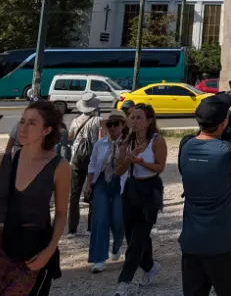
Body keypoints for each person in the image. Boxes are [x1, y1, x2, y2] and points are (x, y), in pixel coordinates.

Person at [0, 102, 69, 296]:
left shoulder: (59, 167)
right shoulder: (1, 163)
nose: (23, 128)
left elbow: (61, 213)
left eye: (32, 123)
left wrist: (49, 251)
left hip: (31, 250)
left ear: (47, 130)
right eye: (22, 121)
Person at [180, 93, 231, 296]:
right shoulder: (229, 151)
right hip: (223, 244)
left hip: (191, 243)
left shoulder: (185, 146)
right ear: (224, 123)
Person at [114, 103, 167, 296]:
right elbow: (118, 170)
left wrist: (142, 162)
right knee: (132, 236)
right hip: (131, 189)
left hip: (150, 190)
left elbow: (160, 167)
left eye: (139, 117)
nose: (134, 121)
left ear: (149, 120)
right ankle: (150, 266)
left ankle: (124, 282)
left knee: (139, 237)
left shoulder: (157, 140)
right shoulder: (127, 142)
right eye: (132, 117)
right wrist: (129, 158)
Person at [85, 112, 128, 273]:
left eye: (116, 124)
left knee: (118, 219)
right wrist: (89, 185)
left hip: (121, 183)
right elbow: (92, 166)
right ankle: (98, 259)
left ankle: (117, 244)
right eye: (109, 124)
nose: (112, 128)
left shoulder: (128, 144)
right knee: (100, 219)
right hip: (102, 182)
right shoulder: (100, 144)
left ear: (123, 126)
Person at [67, 92, 102, 235]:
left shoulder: (75, 121)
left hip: (76, 159)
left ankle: (72, 229)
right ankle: (90, 227)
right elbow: (101, 140)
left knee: (74, 195)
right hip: (92, 161)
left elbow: (70, 137)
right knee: (93, 193)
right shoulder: (98, 120)